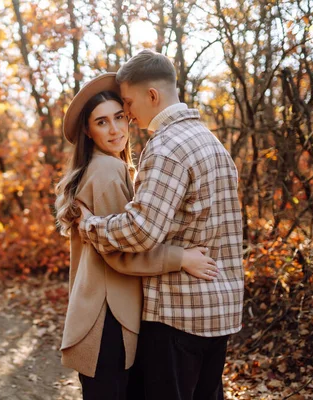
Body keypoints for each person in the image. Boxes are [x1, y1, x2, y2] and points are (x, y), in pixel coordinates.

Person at [77, 50, 244, 400]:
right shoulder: (213, 143)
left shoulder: (166, 146)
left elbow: (141, 231)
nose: (130, 116)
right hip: (221, 313)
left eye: (128, 104)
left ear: (152, 96)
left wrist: (90, 225)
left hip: (178, 316)